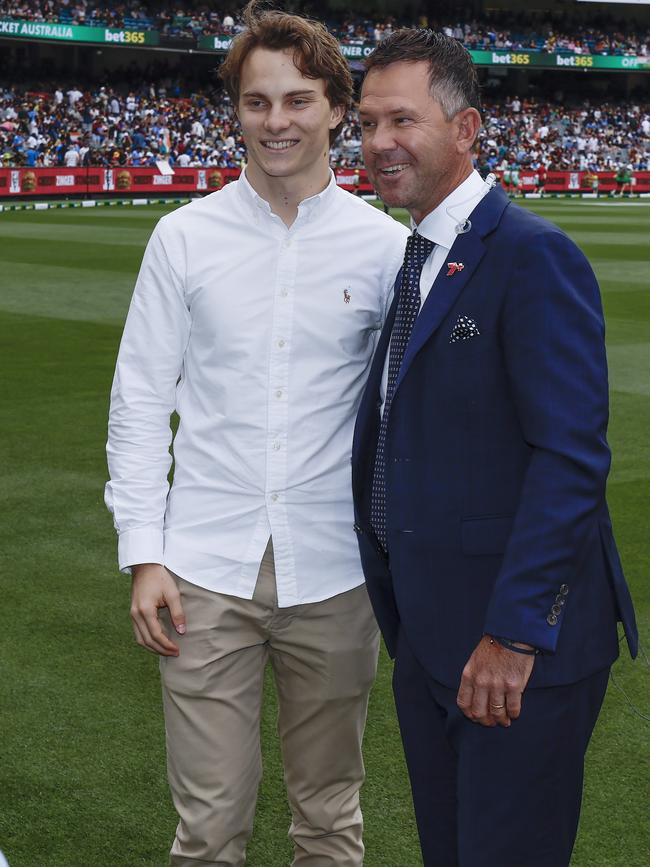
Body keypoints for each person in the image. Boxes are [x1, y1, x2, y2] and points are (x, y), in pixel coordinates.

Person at [104, 4, 408, 866]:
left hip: (338, 573)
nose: (277, 122)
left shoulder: (383, 250)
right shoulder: (183, 238)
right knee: (207, 830)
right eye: (257, 102)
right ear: (235, 110)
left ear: (337, 110)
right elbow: (137, 403)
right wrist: (145, 553)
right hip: (201, 567)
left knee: (330, 821)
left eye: (299, 100)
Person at [353, 28, 638, 867]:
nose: (377, 143)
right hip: (431, 637)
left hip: (512, 654)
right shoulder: (415, 256)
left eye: (401, 120)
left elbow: (573, 457)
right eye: (367, 124)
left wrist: (515, 634)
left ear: (467, 129)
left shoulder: (532, 256)